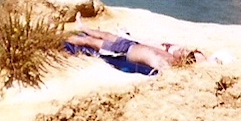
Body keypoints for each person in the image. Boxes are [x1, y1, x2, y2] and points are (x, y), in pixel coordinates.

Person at [65, 27, 202, 73]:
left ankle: (59, 37)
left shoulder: (167, 62)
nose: (184, 49)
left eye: (186, 52)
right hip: (130, 44)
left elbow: (159, 67)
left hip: (123, 52)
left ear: (184, 60)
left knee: (90, 42)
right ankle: (84, 27)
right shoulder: (170, 53)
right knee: (106, 35)